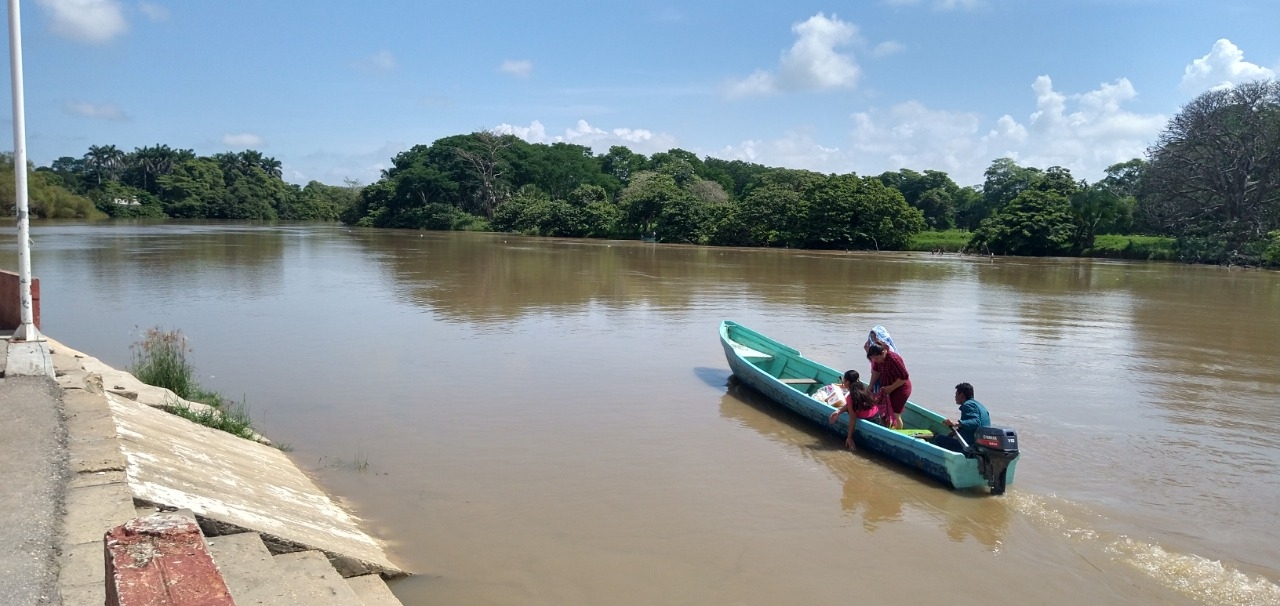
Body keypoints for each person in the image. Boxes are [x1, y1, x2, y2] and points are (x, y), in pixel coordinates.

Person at [932, 382, 991, 453]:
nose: (955, 397)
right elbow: (972, 423)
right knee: (950, 436)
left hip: (970, 447)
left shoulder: (967, 405)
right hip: (980, 445)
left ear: (961, 395)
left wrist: (955, 423)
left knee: (938, 438)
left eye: (956, 394)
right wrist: (957, 430)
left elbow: (976, 422)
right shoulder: (979, 405)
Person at [828, 370, 878, 450]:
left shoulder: (851, 397)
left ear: (848, 382)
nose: (843, 382)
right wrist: (839, 411)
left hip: (868, 419)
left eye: (843, 380)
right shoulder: (864, 389)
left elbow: (852, 418)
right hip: (876, 416)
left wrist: (849, 438)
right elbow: (849, 406)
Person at [866, 343, 910, 429]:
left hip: (900, 387)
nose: (876, 360)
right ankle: (887, 429)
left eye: (877, 358)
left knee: (895, 414)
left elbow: (904, 377)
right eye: (873, 358)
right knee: (883, 411)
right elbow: (876, 372)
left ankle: (898, 434)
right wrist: (870, 385)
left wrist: (891, 388)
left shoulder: (894, 359)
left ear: (883, 352)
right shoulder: (877, 360)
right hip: (887, 388)